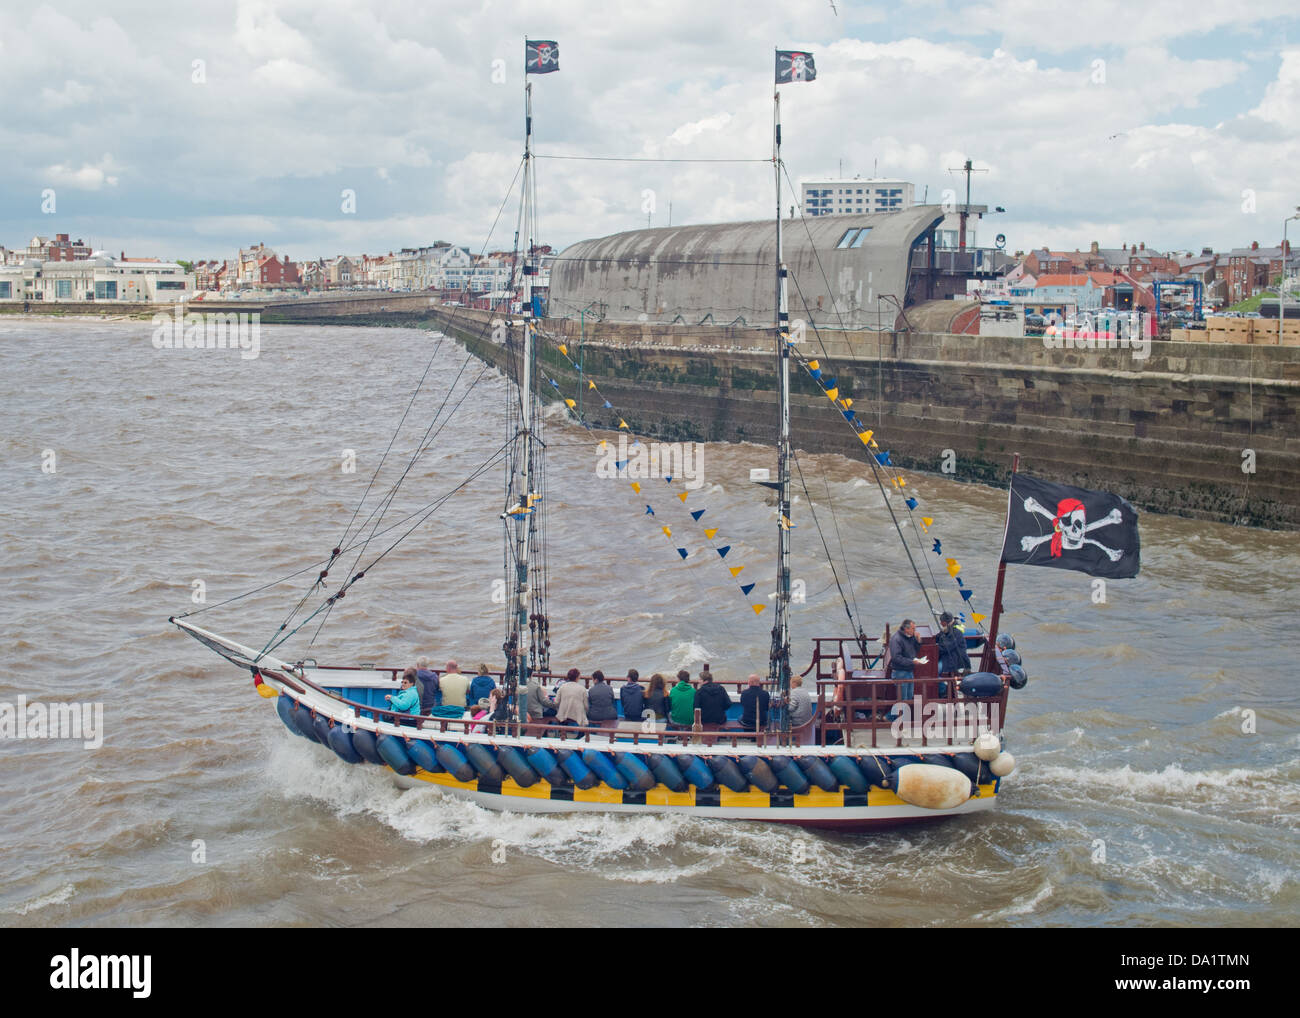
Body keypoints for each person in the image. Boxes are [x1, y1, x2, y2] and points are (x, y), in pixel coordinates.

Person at [887, 620, 928, 715]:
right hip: (900, 672)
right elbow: (896, 658)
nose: (915, 631)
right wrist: (912, 661)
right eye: (913, 629)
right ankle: (893, 718)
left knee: (909, 697)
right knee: (903, 698)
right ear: (906, 629)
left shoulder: (910, 637)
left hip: (909, 670)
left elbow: (914, 651)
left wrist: (918, 641)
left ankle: (896, 718)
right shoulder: (896, 639)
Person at [935, 612, 971, 696]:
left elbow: (946, 647)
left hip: (954, 659)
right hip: (947, 657)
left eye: (942, 621)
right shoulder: (947, 629)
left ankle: (946, 690)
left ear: (946, 622)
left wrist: (934, 649)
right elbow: (938, 638)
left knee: (933, 672)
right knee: (932, 671)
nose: (940, 623)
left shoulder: (956, 632)